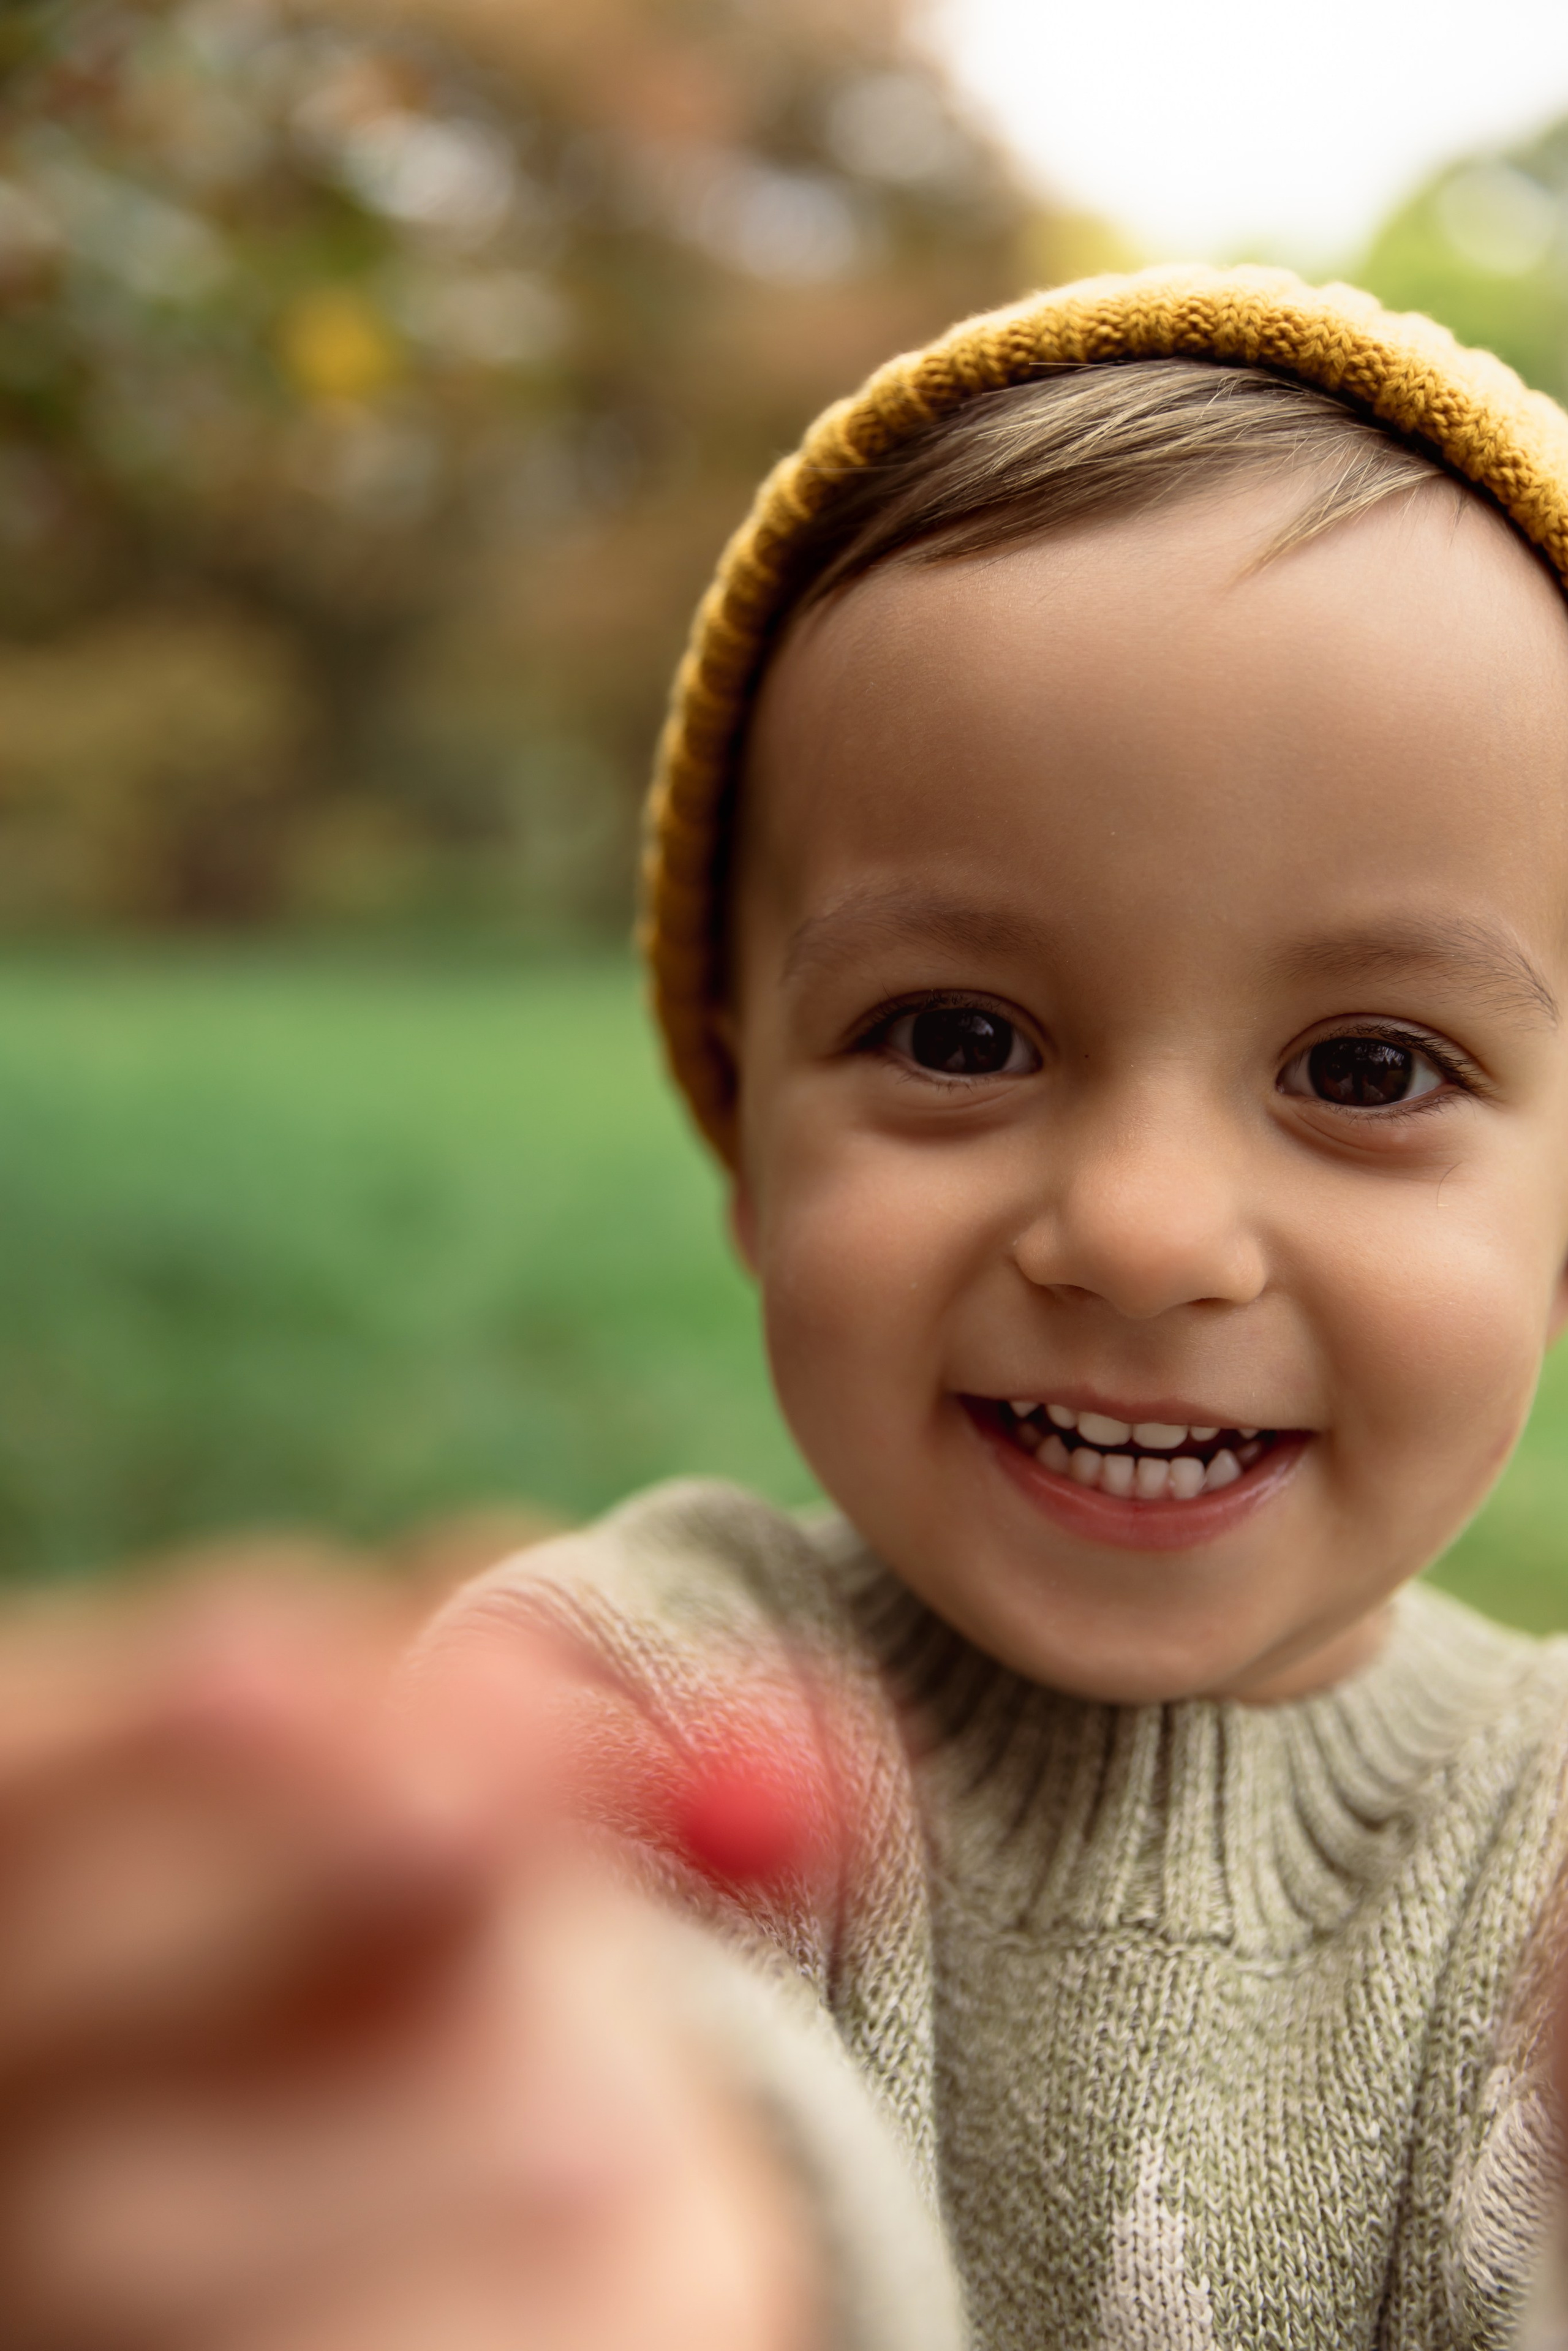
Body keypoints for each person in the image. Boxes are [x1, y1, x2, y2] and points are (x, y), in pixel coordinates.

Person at [8, 262, 1568, 2350]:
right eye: (956, 1033)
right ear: (743, 1126)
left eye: (1365, 1071)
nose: (1137, 1226)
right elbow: (574, 2102)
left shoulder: (1537, 1860)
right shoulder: (642, 1719)